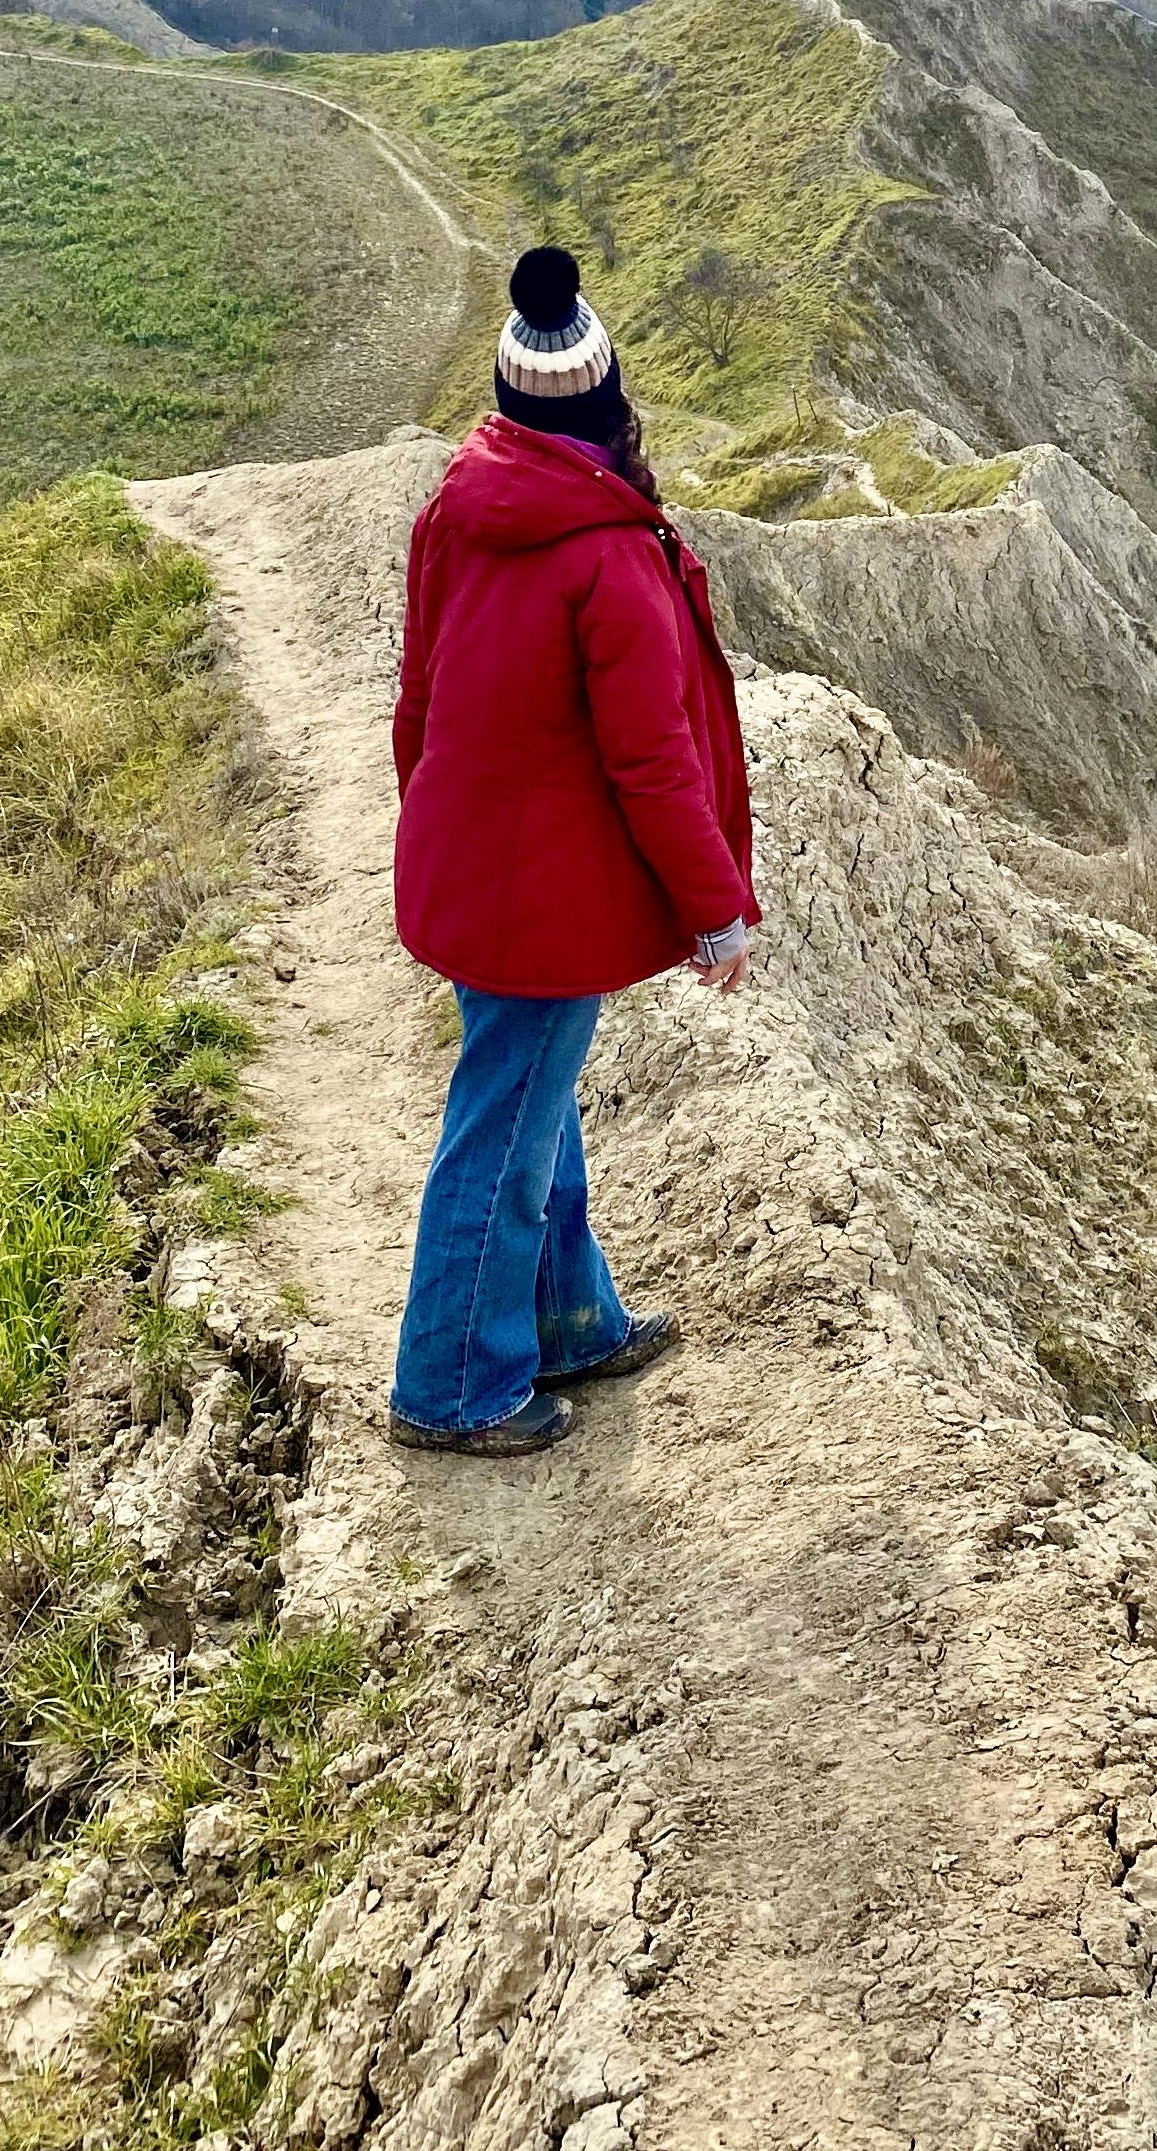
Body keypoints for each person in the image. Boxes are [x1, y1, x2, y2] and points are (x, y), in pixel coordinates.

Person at [384, 245, 758, 1455]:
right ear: (607, 402)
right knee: (498, 1137)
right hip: (539, 899)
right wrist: (716, 910)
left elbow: (419, 693)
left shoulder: (459, 504)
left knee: (534, 1109)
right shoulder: (607, 554)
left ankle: (564, 1316)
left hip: (477, 867)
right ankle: (449, 1389)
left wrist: (432, 824)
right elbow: (655, 765)